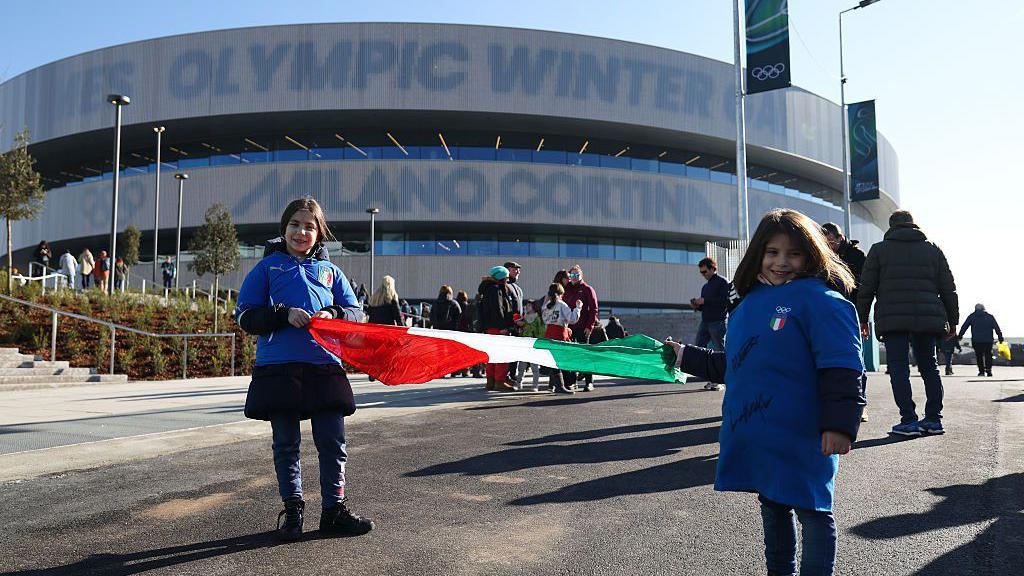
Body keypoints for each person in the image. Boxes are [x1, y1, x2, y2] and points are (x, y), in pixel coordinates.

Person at [666, 208, 865, 576]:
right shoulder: (747, 305)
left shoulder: (824, 301)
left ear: (812, 255)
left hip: (804, 431)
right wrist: (684, 355)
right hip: (760, 431)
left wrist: (840, 424)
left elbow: (843, 367)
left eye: (793, 253)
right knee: (773, 505)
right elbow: (736, 363)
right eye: (772, 252)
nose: (781, 262)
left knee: (814, 509)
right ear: (758, 253)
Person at [234, 197, 373, 541]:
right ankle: (293, 511)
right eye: (295, 224)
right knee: (286, 445)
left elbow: (356, 313)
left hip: (325, 365)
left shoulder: (332, 272)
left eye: (309, 226)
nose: (301, 232)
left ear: (319, 232)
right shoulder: (266, 268)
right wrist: (282, 314)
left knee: (333, 442)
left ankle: (334, 511)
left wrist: (335, 314)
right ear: (284, 228)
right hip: (278, 368)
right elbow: (245, 315)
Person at [857, 210, 958, 437]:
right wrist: (953, 321)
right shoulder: (933, 249)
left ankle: (909, 420)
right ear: (914, 224)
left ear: (891, 226)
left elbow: (866, 289)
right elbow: (948, 289)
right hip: (927, 317)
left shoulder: (879, 250)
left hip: (893, 318)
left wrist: (863, 319)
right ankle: (933, 419)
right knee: (929, 367)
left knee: (899, 368)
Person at [691, 257, 731, 391]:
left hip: (718, 321)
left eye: (705, 272)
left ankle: (721, 380)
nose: (703, 275)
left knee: (719, 351)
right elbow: (705, 305)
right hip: (706, 321)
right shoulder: (705, 287)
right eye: (701, 272)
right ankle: (712, 378)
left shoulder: (723, 282)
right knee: (699, 347)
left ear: (713, 268)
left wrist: (704, 301)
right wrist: (697, 305)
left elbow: (725, 302)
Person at [478, 265, 516, 391]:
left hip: (489, 328)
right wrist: (503, 327)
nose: (508, 280)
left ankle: (490, 381)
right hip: (498, 328)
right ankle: (499, 381)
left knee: (492, 356)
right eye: (506, 278)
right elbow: (498, 310)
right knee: (501, 356)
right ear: (501, 278)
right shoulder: (496, 290)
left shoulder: (486, 289)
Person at [542, 282, 583, 394]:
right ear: (561, 293)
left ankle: (557, 385)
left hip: (549, 333)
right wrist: (578, 308)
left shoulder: (546, 305)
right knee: (565, 360)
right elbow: (573, 318)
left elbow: (545, 320)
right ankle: (564, 384)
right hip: (560, 334)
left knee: (554, 362)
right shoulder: (561, 304)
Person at [563, 265, 599, 391]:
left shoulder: (587, 289)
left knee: (585, 354)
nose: (574, 277)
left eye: (577, 275)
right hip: (568, 328)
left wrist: (589, 326)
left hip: (582, 327)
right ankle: (572, 381)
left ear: (581, 276)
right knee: (570, 355)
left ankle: (589, 382)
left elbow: (593, 310)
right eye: (572, 275)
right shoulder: (565, 289)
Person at [821, 222, 866, 304]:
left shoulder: (857, 255)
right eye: (824, 244)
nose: (828, 247)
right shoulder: (821, 255)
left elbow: (864, 282)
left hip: (851, 302)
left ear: (840, 238)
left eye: (831, 243)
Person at [958, 303, 1003, 377]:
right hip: (988, 340)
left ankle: (981, 371)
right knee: (988, 355)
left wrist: (960, 336)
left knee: (979, 356)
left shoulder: (971, 316)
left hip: (976, 340)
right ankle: (988, 370)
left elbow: (964, 326)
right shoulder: (989, 317)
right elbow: (996, 327)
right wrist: (1000, 337)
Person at [517, 299, 546, 391]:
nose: (527, 307)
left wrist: (539, 341)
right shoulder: (524, 317)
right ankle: (519, 383)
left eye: (529, 306)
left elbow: (541, 331)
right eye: (526, 306)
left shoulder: (537, 318)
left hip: (533, 343)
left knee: (534, 366)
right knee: (521, 365)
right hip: (524, 343)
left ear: (534, 307)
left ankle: (535, 385)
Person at [504, 262, 525, 386]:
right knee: (508, 353)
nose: (518, 272)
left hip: (518, 326)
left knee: (516, 353)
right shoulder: (505, 286)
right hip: (510, 326)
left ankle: (512, 374)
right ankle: (506, 375)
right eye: (515, 269)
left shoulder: (517, 288)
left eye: (518, 269)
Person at [454, 290, 482, 378]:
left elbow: (465, 318)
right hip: (474, 331)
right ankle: (474, 371)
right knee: (476, 352)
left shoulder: (468, 306)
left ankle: (461, 370)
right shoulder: (476, 306)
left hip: (462, 331)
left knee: (462, 352)